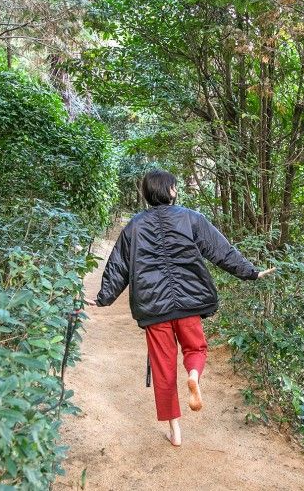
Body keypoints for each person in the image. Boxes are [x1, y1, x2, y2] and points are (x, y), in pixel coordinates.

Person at [85, 169, 275, 447]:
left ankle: (175, 432)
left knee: (163, 368)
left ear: (148, 193)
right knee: (195, 349)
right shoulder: (191, 218)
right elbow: (220, 250)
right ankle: (194, 376)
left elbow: (118, 266)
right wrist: (250, 272)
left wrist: (103, 298)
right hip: (189, 304)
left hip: (153, 309)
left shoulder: (134, 226)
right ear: (170, 190)